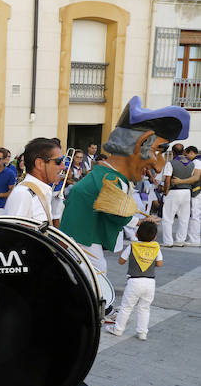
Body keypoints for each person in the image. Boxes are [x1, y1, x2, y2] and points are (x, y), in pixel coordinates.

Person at [5, 137, 115, 386]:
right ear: (39, 163)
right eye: (58, 161)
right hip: (28, 281)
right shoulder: (23, 194)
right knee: (41, 338)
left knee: (45, 338)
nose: (63, 166)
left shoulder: (41, 192)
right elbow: (9, 240)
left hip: (41, 276)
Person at [61, 97, 188, 275]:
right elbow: (116, 215)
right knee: (96, 277)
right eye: (157, 152)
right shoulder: (112, 180)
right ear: (141, 142)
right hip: (84, 238)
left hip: (79, 237)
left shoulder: (103, 173)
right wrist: (141, 222)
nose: (159, 165)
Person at [107, 220, 162, 341]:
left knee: (126, 307)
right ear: (154, 237)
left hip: (134, 282)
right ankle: (142, 332)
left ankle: (118, 329)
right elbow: (159, 263)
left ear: (136, 234)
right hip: (150, 282)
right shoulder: (156, 247)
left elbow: (121, 261)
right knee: (144, 308)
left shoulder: (133, 246)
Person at [160, 145, 198, 247]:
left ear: (172, 151)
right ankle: (180, 240)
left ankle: (168, 242)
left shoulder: (171, 163)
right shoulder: (191, 164)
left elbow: (167, 179)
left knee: (168, 218)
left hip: (174, 191)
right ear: (184, 151)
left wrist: (165, 191)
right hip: (187, 192)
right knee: (184, 218)